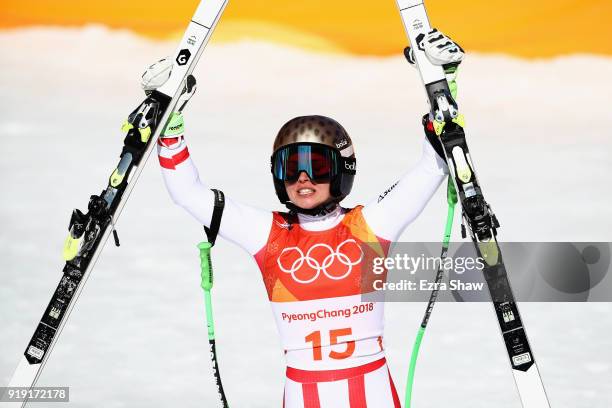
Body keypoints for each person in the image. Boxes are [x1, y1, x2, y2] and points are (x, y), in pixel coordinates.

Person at [145, 29, 463, 408]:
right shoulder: (269, 235)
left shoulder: (370, 225)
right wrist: (172, 128)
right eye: (291, 166)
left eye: (317, 167)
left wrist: (444, 84)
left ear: (341, 170)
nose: (303, 179)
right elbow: (188, 193)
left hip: (372, 393)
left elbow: (436, 163)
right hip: (303, 395)